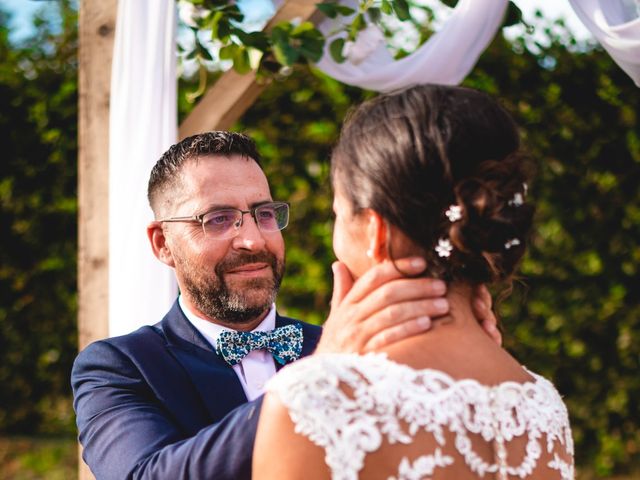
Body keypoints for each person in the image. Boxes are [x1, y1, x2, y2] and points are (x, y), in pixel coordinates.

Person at [71, 131, 500, 480]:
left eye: (264, 213)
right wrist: (323, 372)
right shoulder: (120, 365)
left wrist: (468, 369)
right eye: (217, 219)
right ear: (162, 243)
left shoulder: (357, 350)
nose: (254, 240)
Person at [253, 84, 575, 480]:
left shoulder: (316, 401)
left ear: (376, 232)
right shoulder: (541, 405)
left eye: (338, 212)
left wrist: (324, 367)